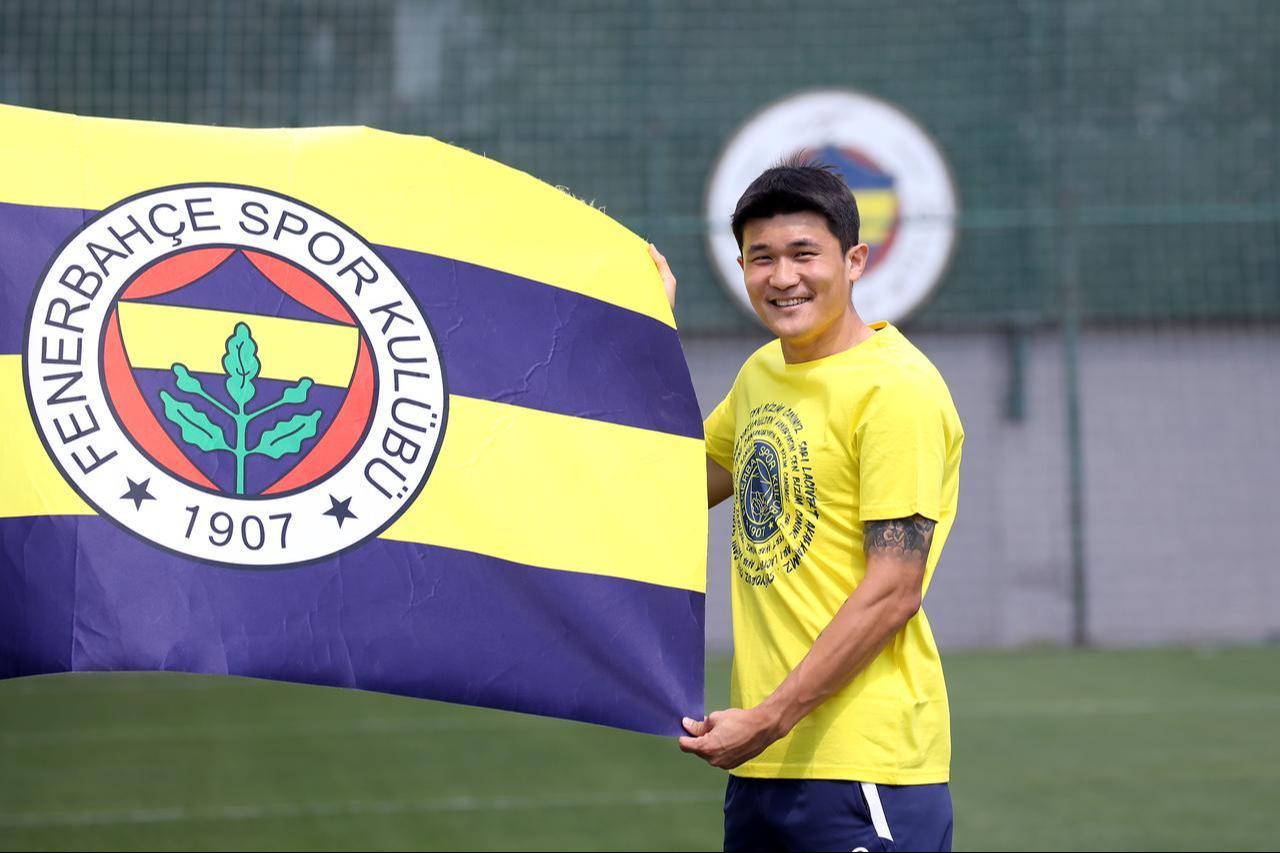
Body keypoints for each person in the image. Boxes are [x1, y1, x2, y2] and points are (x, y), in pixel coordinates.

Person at [649, 159, 963, 852]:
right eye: (762, 258)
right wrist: (641, 332)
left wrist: (769, 716)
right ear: (740, 266)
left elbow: (893, 591)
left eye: (803, 254)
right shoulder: (763, 371)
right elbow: (664, 487)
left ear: (854, 260)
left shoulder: (896, 391)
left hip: (863, 769)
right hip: (764, 764)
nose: (782, 277)